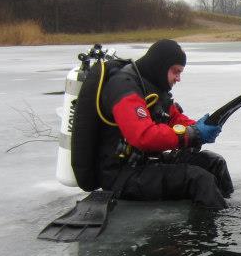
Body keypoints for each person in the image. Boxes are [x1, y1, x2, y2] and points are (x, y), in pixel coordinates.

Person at [97, 39, 232, 208]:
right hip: (122, 176)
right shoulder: (124, 89)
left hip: (145, 163)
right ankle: (211, 231)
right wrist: (193, 133)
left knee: (214, 163)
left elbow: (174, 118)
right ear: (161, 65)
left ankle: (228, 209)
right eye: (176, 71)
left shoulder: (152, 86)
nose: (178, 78)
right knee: (199, 180)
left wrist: (198, 126)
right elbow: (144, 136)